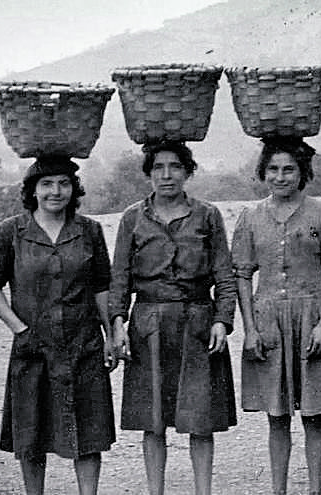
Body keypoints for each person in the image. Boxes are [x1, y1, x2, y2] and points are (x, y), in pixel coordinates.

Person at [108, 140, 237, 495]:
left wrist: (221, 321)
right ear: (149, 174)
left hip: (197, 321)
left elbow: (224, 274)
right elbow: (119, 277)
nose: (167, 175)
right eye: (158, 168)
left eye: (175, 167)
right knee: (153, 421)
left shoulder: (207, 215)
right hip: (148, 324)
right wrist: (118, 324)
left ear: (188, 172)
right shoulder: (133, 217)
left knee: (201, 419)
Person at [0, 157, 116, 495]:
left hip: (83, 342)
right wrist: (18, 329)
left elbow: (102, 285)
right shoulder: (10, 231)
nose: (55, 192)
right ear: (32, 191)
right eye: (46, 184)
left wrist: (111, 335)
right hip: (32, 345)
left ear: (74, 189)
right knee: (31, 435)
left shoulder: (89, 230)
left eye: (64, 184)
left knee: (88, 434)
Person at [231, 137, 321, 495]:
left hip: (311, 318)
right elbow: (242, 274)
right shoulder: (250, 216)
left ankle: (315, 489)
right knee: (277, 416)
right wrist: (250, 330)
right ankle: (278, 489)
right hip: (268, 322)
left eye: (288, 169)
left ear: (302, 173)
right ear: (263, 173)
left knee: (314, 416)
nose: (280, 177)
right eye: (273, 170)